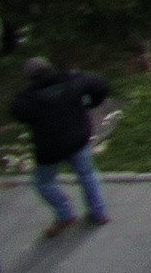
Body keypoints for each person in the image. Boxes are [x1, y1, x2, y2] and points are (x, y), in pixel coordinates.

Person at [12, 59, 107, 228]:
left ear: (30, 77)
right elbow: (100, 85)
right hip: (78, 139)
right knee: (87, 174)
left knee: (44, 182)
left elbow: (18, 113)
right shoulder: (73, 80)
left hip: (50, 149)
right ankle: (99, 213)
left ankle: (65, 214)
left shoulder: (27, 99)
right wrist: (91, 104)